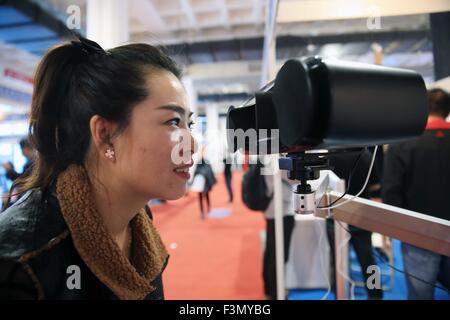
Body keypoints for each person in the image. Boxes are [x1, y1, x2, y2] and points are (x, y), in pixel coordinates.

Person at [0, 36, 197, 300]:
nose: (191, 144)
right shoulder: (21, 261)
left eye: (189, 124)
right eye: (173, 121)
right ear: (104, 134)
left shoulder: (138, 223)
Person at [382, 88, 450, 300]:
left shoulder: (402, 144)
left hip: (418, 231)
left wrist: (389, 228)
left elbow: (392, 190)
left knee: (420, 294)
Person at [327, 149, 384, 300]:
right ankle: (376, 294)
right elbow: (375, 187)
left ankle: (339, 292)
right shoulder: (365, 155)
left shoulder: (329, 155)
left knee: (337, 261)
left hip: (335, 216)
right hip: (361, 216)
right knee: (369, 260)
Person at [262, 161, 296, 300]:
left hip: (272, 210)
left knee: (271, 251)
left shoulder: (266, 156)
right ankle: (277, 292)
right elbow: (294, 178)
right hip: (281, 211)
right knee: (280, 254)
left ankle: (269, 288)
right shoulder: (275, 159)